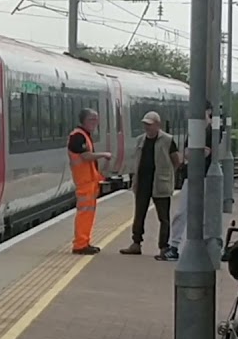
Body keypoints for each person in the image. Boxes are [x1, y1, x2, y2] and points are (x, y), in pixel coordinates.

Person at [120, 111, 181, 257]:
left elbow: (176, 161)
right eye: (145, 124)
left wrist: (168, 174)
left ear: (157, 125)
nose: (147, 127)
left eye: (149, 124)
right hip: (142, 183)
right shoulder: (141, 140)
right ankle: (136, 243)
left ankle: (163, 247)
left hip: (160, 183)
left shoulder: (167, 140)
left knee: (163, 217)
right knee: (139, 214)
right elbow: (137, 160)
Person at [160, 101, 213, 261]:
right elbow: (189, 153)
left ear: (207, 111)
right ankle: (174, 246)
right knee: (181, 212)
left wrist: (193, 152)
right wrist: (194, 152)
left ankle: (208, 246)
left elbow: (203, 153)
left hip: (206, 178)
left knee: (205, 215)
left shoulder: (212, 132)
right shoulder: (194, 131)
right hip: (191, 177)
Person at [67, 108, 112, 255]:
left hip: (89, 181)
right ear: (83, 120)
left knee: (88, 214)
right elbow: (85, 157)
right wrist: (103, 154)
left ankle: (84, 242)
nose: (95, 122)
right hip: (84, 182)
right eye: (91, 119)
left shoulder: (84, 135)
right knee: (84, 213)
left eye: (96, 119)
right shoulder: (77, 137)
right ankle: (80, 244)